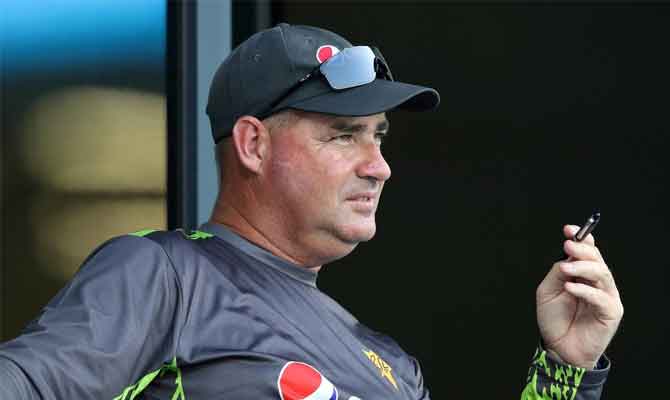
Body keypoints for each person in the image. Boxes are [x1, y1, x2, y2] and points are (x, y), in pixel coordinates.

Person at [0, 23, 623, 399]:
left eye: (379, 136)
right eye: (344, 135)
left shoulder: (393, 366)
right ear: (253, 144)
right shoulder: (165, 274)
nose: (378, 166)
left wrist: (565, 369)